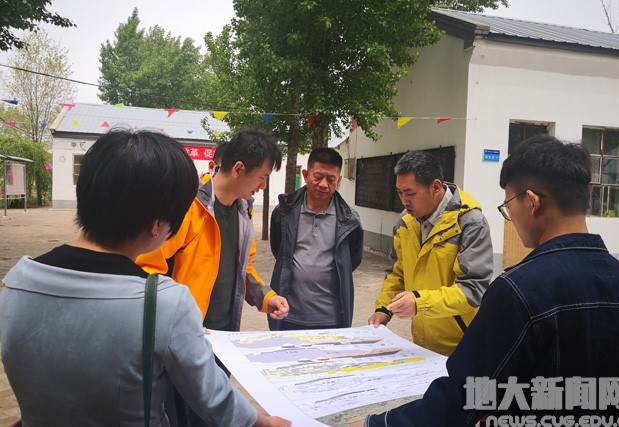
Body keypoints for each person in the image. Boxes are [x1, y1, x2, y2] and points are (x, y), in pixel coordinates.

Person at [0, 129, 290, 427]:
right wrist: (262, 423)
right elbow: (212, 397)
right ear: (157, 224)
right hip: (190, 337)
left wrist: (264, 296)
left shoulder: (16, 282)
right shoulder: (163, 304)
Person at [356, 135, 619, 426]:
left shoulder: (519, 291)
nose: (510, 217)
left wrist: (376, 423)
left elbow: (466, 396)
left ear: (532, 202)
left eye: (508, 205)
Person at [137, 129, 289, 333]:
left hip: (224, 333)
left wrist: (267, 297)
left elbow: (244, 268)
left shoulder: (244, 212)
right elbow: (147, 270)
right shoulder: (188, 206)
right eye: (262, 177)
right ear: (238, 169)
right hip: (183, 333)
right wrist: (179, 323)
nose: (263, 185)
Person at [368, 150, 493, 356]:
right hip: (423, 344)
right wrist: (384, 309)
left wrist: (419, 303)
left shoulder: (470, 223)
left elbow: (473, 290)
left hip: (462, 346)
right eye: (399, 192)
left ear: (435, 187)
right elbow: (397, 273)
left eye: (410, 193)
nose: (404, 200)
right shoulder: (406, 222)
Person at [269, 147, 364, 330]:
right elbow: (279, 250)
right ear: (305, 175)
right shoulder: (284, 212)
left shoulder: (349, 220)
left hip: (331, 318)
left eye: (331, 179)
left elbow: (352, 259)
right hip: (288, 314)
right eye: (318, 177)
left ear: (339, 181)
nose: (323, 184)